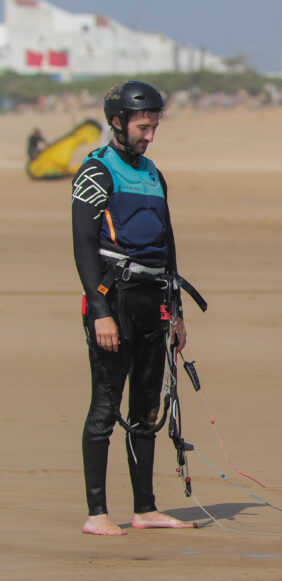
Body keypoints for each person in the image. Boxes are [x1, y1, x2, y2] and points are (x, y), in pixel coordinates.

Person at [72, 81, 193, 536]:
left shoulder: (153, 173)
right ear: (118, 122)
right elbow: (84, 247)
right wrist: (100, 310)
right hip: (114, 302)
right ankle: (97, 513)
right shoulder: (95, 171)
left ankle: (145, 508)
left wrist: (176, 309)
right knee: (105, 407)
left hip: (152, 302)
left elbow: (168, 243)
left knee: (147, 408)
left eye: (155, 126)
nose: (151, 135)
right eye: (144, 126)